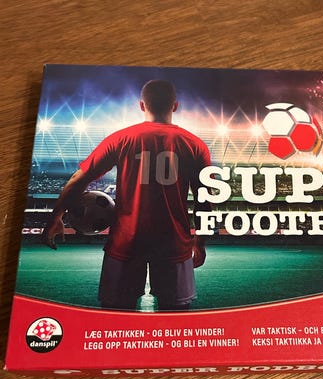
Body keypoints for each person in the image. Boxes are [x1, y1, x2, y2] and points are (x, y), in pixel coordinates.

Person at [43, 80, 211, 311]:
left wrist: (55, 217)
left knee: (116, 314)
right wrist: (200, 241)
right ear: (175, 106)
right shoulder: (195, 145)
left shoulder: (121, 138)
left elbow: (78, 179)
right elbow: (204, 198)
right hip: (173, 243)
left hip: (125, 242)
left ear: (142, 105)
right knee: (174, 316)